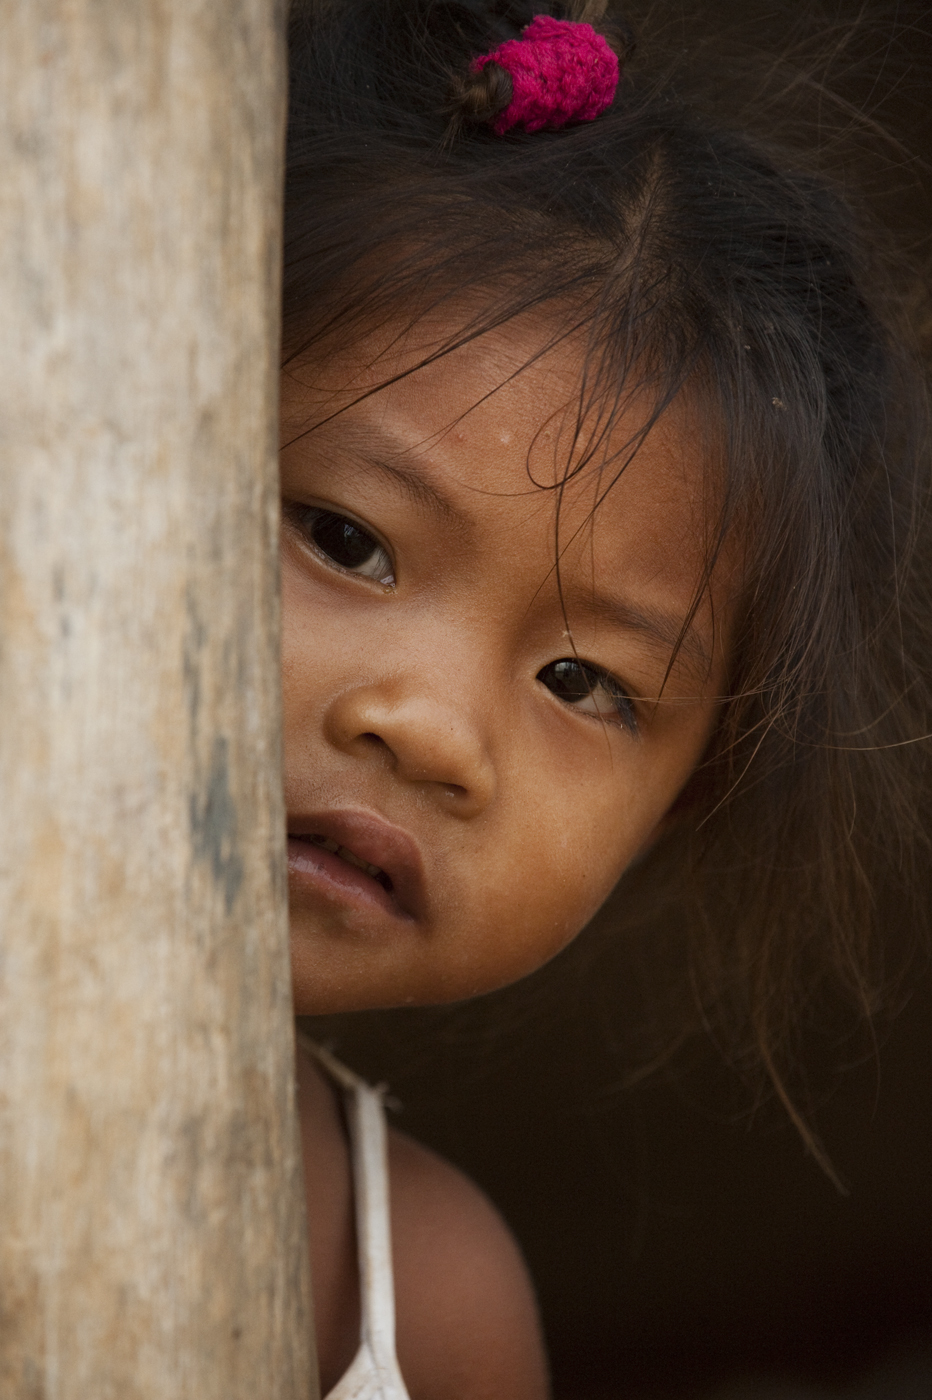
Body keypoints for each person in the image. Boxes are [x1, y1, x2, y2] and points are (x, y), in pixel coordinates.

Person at [278, 2, 932, 1396]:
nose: (434, 731)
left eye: (586, 683)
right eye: (344, 538)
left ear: (682, 801)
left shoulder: (430, 1307)